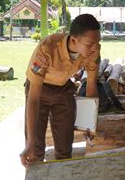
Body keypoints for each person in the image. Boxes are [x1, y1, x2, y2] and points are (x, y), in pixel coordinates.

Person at [20, 14, 101, 167]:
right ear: (74, 40)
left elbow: (91, 86)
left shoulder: (93, 52)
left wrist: (89, 124)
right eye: (90, 43)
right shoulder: (47, 48)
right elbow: (34, 99)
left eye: (98, 42)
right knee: (34, 151)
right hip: (39, 89)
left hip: (63, 89)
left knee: (64, 148)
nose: (95, 48)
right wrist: (29, 143)